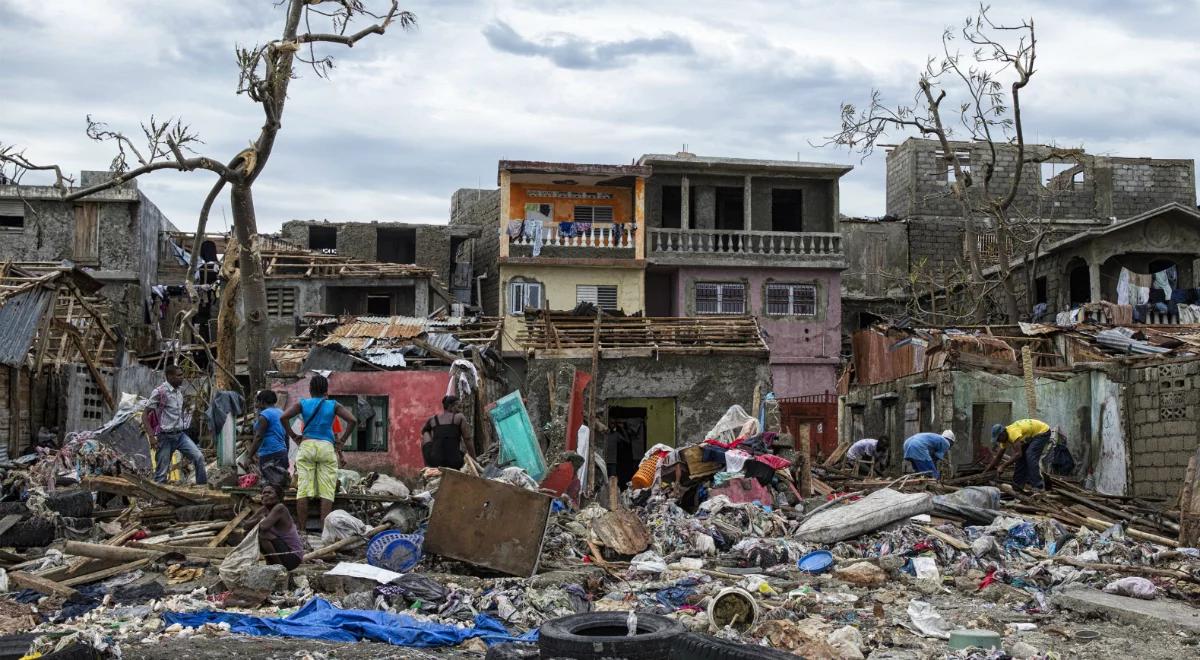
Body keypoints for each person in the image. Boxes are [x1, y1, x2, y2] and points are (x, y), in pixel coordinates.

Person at [279, 375, 356, 529]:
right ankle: (324, 530)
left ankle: (302, 530)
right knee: (327, 491)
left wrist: (294, 436)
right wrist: (341, 442)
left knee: (303, 490)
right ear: (326, 390)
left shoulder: (303, 404)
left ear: (310, 389)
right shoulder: (333, 405)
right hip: (326, 447)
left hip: (307, 445)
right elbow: (352, 420)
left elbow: (284, 417)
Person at [145, 364, 207, 485]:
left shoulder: (179, 392)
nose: (182, 378)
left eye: (182, 375)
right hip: (165, 437)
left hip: (180, 436)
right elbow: (144, 415)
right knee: (161, 473)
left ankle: (202, 490)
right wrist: (151, 436)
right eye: (179, 375)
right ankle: (158, 499)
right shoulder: (160, 392)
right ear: (169, 376)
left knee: (198, 457)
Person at [244, 483, 303, 571]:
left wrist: (259, 519)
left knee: (262, 534)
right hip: (282, 553)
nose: (266, 495)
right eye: (264, 493)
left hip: (293, 557)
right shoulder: (264, 509)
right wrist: (260, 518)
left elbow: (263, 527)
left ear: (278, 497)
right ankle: (271, 562)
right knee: (248, 533)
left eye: (270, 493)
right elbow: (245, 526)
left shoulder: (280, 508)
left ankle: (279, 567)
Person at [986, 418, 1052, 491]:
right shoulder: (1003, 439)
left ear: (1003, 433)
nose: (999, 441)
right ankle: (1017, 486)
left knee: (1030, 455)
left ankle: (1038, 486)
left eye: (998, 438)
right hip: (1031, 436)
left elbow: (1018, 454)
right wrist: (986, 471)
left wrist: (1003, 466)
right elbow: (998, 457)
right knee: (1021, 460)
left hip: (1043, 432)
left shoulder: (1012, 433)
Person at [420, 395, 475, 469]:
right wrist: (474, 459)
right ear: (450, 406)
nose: (460, 410)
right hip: (455, 462)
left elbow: (424, 432)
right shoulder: (459, 417)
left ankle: (428, 465)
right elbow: (467, 439)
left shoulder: (433, 419)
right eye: (458, 407)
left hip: (434, 462)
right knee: (460, 452)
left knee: (426, 433)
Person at [248, 390, 289, 488]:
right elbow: (286, 436)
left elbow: (259, 437)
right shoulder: (281, 412)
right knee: (280, 486)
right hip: (281, 452)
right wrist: (286, 452)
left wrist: (250, 456)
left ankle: (271, 503)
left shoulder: (265, 415)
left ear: (262, 401)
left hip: (269, 454)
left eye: (257, 402)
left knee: (269, 486)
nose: (256, 404)